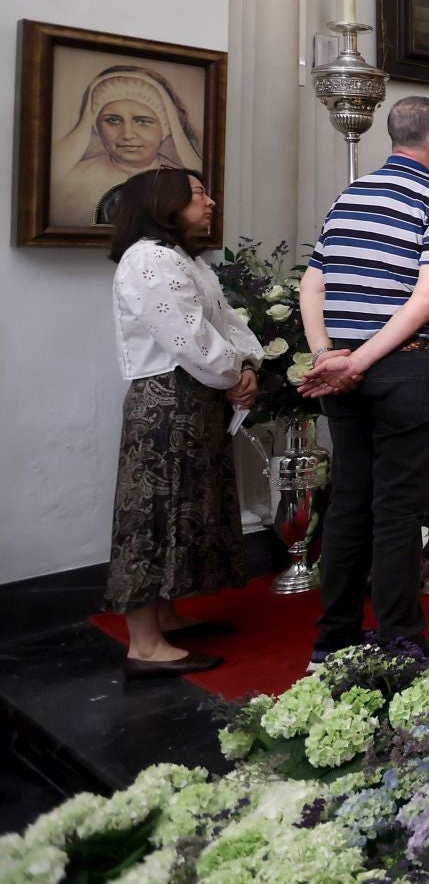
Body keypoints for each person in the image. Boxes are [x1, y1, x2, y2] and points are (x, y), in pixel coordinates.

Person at [297, 96, 429, 668]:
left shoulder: (348, 196)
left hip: (345, 372)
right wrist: (358, 362)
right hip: (406, 368)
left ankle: (333, 643)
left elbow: (312, 286)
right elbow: (427, 298)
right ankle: (402, 643)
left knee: (349, 503)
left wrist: (330, 356)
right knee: (398, 510)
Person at [106, 168, 260, 678]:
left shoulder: (182, 259)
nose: (211, 201)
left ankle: (165, 614)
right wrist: (233, 372)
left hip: (194, 397)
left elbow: (227, 325)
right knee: (153, 513)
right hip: (167, 402)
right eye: (197, 194)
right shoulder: (149, 259)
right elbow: (189, 338)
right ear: (163, 203)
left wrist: (247, 366)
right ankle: (144, 646)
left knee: (183, 506)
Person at [51, 65, 204, 227]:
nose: (128, 134)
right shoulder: (72, 180)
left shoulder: (183, 183)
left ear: (165, 128)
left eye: (142, 121)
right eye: (113, 120)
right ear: (96, 127)